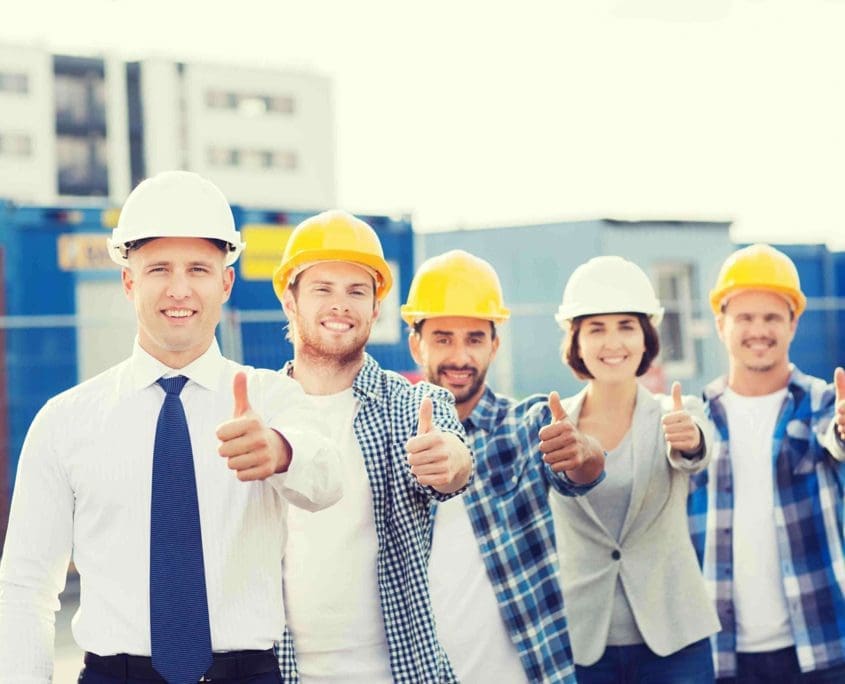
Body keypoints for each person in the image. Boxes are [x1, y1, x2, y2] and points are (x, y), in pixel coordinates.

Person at [0, 171, 342, 684]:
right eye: (159, 267)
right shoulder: (64, 422)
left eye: (199, 269)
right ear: (128, 280)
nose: (179, 289)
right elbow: (26, 586)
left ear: (225, 281)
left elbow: (327, 479)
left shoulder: (273, 400)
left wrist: (280, 451)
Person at [270, 211, 474, 683]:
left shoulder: (413, 403)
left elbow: (455, 457)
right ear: (289, 300)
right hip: (281, 673)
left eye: (357, 291)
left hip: (400, 673)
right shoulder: (262, 411)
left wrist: (448, 459)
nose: (341, 305)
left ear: (376, 307)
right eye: (323, 289)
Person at [400, 249, 605, 683]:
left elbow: (579, 470)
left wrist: (583, 453)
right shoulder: (393, 440)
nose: (460, 356)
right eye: (443, 338)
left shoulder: (525, 426)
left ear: (495, 344)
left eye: (474, 338)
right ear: (416, 343)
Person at [548, 255, 720, 684]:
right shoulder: (553, 427)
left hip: (675, 645)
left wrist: (691, 439)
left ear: (646, 338)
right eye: (597, 328)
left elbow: (697, 450)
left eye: (626, 326)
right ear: (576, 341)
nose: (613, 342)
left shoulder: (678, 413)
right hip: (584, 646)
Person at [687, 243, 845, 683]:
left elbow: (836, 439)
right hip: (725, 654)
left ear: (793, 324)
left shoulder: (823, 402)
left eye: (772, 317)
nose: (759, 330)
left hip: (823, 645)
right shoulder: (695, 417)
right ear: (721, 325)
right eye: (745, 318)